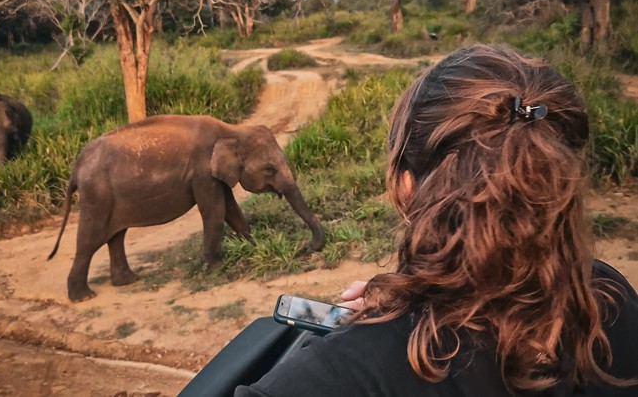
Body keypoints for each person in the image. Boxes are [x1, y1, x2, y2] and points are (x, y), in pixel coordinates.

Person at [234, 44, 638, 396]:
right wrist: (409, 303)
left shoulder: (346, 372)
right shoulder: (608, 297)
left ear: (407, 186)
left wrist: (366, 336)